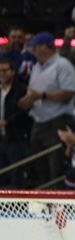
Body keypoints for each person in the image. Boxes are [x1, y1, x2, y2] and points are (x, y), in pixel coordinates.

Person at [17, 32, 75, 188]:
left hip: (56, 121)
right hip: (38, 121)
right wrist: (28, 100)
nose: (34, 50)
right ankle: (42, 203)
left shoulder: (63, 65)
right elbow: (33, 92)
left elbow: (69, 92)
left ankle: (57, 205)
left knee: (55, 165)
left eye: (36, 46)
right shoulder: (37, 67)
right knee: (38, 165)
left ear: (48, 46)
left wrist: (42, 95)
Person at [0, 56, 31, 187]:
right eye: (0, 70)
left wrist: (8, 121)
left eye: (5, 70)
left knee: (16, 173)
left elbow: (24, 112)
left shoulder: (21, 89)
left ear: (13, 72)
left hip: (15, 137)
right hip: (0, 138)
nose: (2, 73)